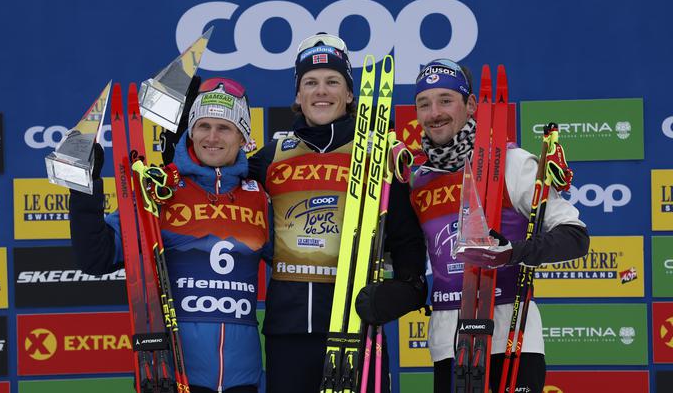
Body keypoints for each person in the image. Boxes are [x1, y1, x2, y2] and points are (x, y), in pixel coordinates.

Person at [247, 33, 428, 393]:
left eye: (333, 81)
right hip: (288, 330)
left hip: (357, 323)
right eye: (310, 83)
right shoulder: (270, 157)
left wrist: (408, 288)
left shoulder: (379, 154)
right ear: (298, 96)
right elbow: (221, 190)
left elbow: (406, 236)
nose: (321, 91)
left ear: (348, 94)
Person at [69, 79, 270, 393]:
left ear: (243, 136)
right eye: (203, 125)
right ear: (191, 131)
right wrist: (85, 187)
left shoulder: (259, 196)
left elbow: (294, 263)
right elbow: (97, 256)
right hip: (172, 373)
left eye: (224, 128)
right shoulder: (160, 190)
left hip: (244, 377)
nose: (212, 137)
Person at [408, 59, 590, 392]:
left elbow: (575, 236)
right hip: (448, 343)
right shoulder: (418, 181)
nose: (434, 112)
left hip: (511, 341)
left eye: (446, 100)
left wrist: (512, 253)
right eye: (424, 103)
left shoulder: (508, 162)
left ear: (471, 105)